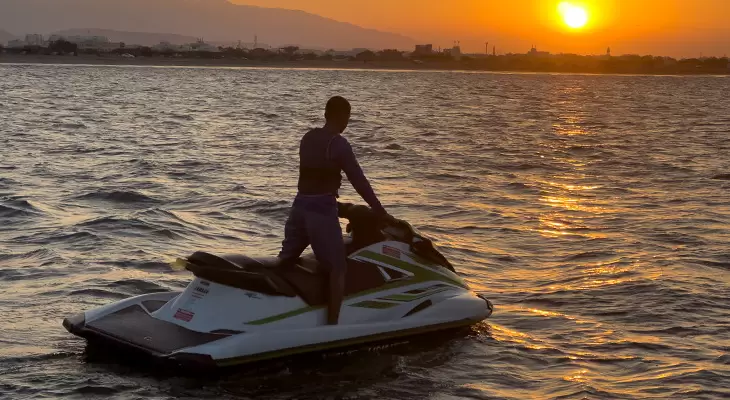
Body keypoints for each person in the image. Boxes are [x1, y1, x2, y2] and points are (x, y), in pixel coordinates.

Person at [278, 96, 388, 325]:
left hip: (299, 207)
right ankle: (333, 324)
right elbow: (358, 180)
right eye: (347, 117)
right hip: (321, 212)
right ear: (341, 116)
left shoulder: (307, 138)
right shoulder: (338, 144)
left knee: (285, 261)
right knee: (337, 268)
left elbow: (313, 177)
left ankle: (278, 312)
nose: (347, 122)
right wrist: (379, 210)